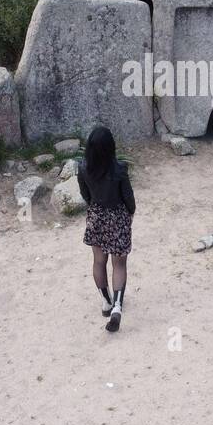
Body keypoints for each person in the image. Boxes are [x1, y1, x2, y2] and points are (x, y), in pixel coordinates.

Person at [78, 126, 135, 332]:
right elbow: (128, 196)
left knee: (98, 261)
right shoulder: (120, 168)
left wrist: (94, 206)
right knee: (119, 265)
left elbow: (85, 194)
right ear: (111, 147)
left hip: (96, 216)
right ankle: (117, 306)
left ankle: (105, 301)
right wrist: (130, 212)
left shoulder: (83, 167)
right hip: (117, 216)